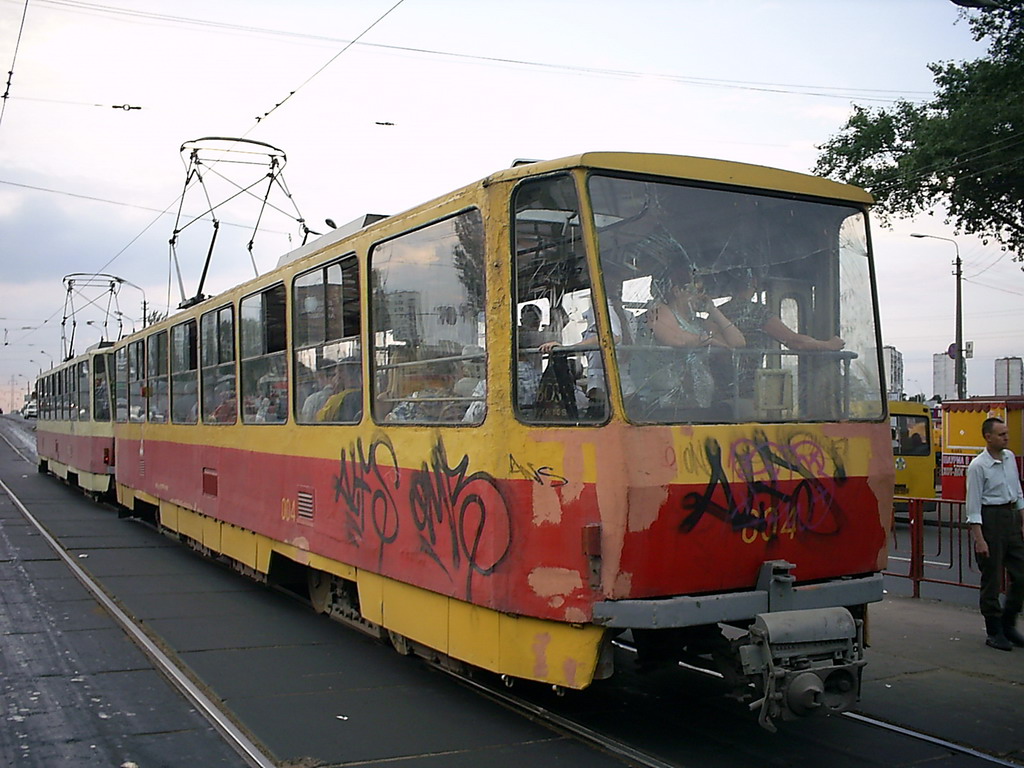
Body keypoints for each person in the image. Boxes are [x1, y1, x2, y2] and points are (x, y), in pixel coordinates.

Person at [965, 416, 1024, 651]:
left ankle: (1009, 623)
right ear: (988, 437)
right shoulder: (978, 466)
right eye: (1001, 434)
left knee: (1021, 574)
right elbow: (973, 506)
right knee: (992, 578)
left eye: (1007, 433)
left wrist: (1021, 520)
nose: (1006, 437)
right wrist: (979, 538)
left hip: (1010, 517)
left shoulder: (1009, 458)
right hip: (990, 520)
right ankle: (994, 630)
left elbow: (1017, 490)